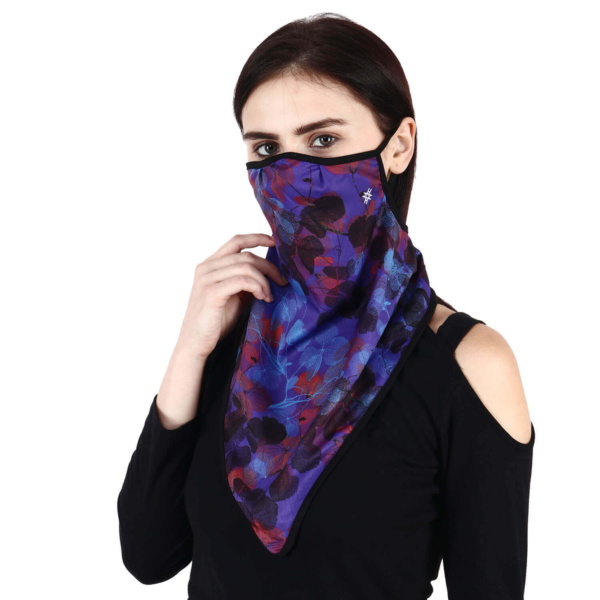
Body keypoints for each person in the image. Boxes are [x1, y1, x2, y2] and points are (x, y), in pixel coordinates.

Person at [117, 12, 535, 599]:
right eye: (267, 148)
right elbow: (149, 554)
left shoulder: (468, 364)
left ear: (398, 146)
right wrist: (189, 349)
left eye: (322, 140)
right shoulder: (235, 335)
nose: (290, 174)